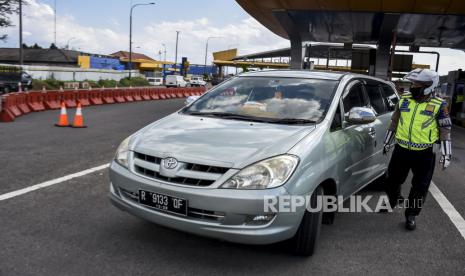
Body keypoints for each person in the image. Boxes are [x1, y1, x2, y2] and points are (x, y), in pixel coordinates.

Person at [382, 68, 452, 230]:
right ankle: (394, 199)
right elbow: (395, 122)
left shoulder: (439, 105)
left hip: (424, 154)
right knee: (391, 181)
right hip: (401, 150)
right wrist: (387, 142)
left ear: (429, 86)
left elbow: (445, 130)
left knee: (420, 187)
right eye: (412, 83)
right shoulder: (404, 99)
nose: (412, 87)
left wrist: (447, 154)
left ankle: (411, 214)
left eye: (417, 84)